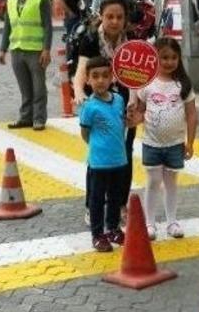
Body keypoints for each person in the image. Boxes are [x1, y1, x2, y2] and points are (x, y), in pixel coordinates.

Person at [73, 0, 135, 226]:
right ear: (101, 16)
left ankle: (120, 205)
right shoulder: (90, 40)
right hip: (98, 107)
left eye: (119, 17)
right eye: (110, 16)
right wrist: (79, 91)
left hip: (124, 105)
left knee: (125, 156)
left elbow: (141, 75)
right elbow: (81, 70)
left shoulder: (132, 40)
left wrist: (138, 103)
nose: (115, 21)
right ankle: (93, 205)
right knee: (98, 159)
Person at [132, 37, 196, 240]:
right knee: (153, 182)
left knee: (171, 183)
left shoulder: (182, 84)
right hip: (151, 143)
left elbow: (192, 114)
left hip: (175, 144)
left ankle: (172, 222)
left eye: (173, 57)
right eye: (164, 57)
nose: (169, 62)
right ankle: (149, 223)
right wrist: (133, 117)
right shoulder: (147, 84)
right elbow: (140, 111)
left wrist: (190, 142)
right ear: (154, 59)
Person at [79, 56, 129, 252]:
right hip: (99, 163)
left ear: (112, 79)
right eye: (95, 76)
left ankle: (114, 229)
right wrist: (98, 148)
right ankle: (97, 234)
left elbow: (122, 124)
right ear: (88, 80)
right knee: (97, 200)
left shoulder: (119, 100)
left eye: (105, 76)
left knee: (116, 198)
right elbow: (85, 133)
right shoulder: (89, 106)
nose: (100, 80)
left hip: (119, 160)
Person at [0, 0, 53, 131]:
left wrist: (46, 49)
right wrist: (3, 49)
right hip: (17, 50)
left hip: (36, 51)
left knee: (38, 87)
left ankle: (38, 119)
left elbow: (47, 26)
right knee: (25, 88)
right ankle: (25, 117)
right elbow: (8, 26)